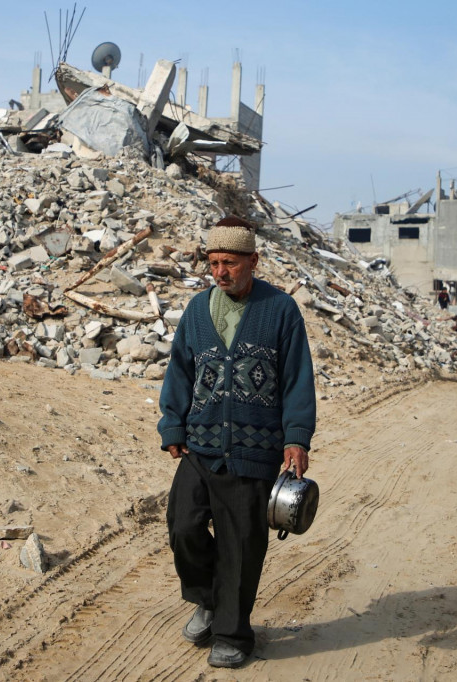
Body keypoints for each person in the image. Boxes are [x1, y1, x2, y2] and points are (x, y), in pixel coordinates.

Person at [157, 215, 316, 669]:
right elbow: (180, 373)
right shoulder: (196, 311)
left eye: (229, 262)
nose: (220, 272)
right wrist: (172, 426)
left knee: (242, 545)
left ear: (253, 261)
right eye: (213, 263)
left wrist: (296, 438)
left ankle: (232, 632)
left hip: (255, 451)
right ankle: (208, 598)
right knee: (183, 527)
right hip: (200, 445)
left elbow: (297, 381)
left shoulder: (280, 310)